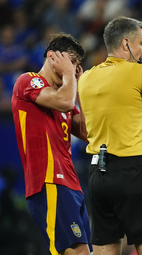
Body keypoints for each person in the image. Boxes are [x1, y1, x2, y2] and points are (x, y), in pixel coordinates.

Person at [78, 16, 142, 255]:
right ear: (126, 43)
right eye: (141, 43)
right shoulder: (141, 72)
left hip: (97, 173)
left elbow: (113, 109)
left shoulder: (86, 78)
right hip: (133, 170)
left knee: (104, 245)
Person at [11, 34, 92, 255]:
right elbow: (65, 102)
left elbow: (88, 133)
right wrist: (69, 76)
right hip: (48, 181)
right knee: (76, 252)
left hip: (72, 184)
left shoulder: (62, 95)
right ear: (52, 57)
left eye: (76, 66)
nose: (74, 70)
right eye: (71, 62)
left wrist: (80, 88)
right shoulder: (28, 81)